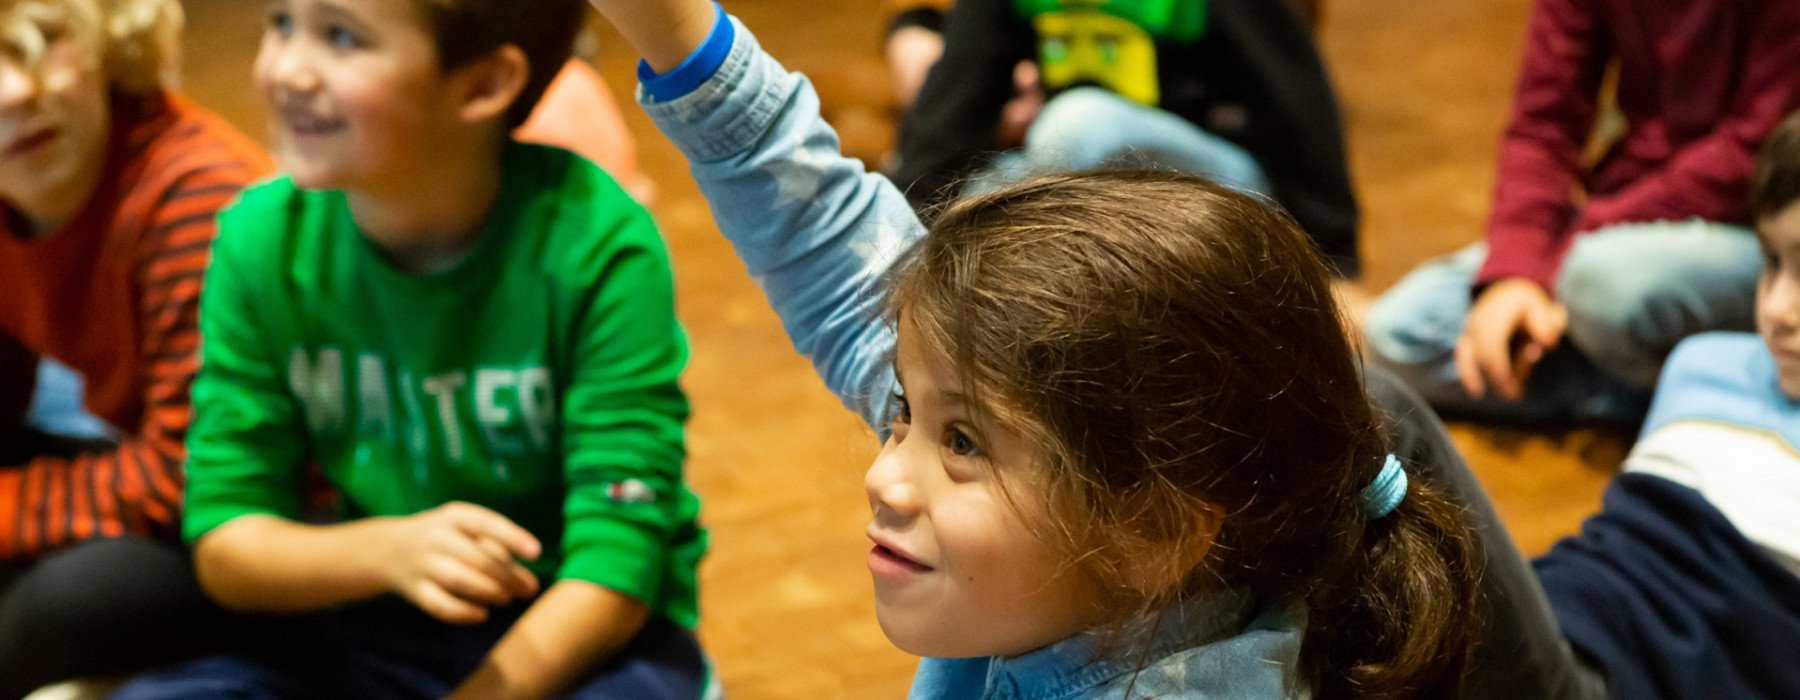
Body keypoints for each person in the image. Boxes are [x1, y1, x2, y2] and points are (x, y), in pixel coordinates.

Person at [591, 1, 1481, 696]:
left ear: (1155, 530)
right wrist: (676, 33)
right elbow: (830, 239)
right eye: (907, 414)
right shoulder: (1093, 520)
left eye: (964, 442)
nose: (886, 474)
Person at [108, 0, 710, 698]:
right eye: (280, 24)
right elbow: (226, 540)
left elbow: (616, 567)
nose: (287, 69)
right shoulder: (258, 242)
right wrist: (387, 552)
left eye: (341, 37)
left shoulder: (598, 246)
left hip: (580, 641)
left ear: (484, 84)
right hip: (371, 617)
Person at [0, 0, 272, 695]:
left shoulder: (193, 191)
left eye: (44, 43)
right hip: (152, 460)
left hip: (268, 512)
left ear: (111, 41)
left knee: (48, 615)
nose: (15, 91)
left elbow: (191, 475)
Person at [1364, 0, 1800, 426]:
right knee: (1399, 334)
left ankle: (1646, 374)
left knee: (1600, 284)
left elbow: (1747, 158)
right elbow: (1543, 126)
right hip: (1614, 225)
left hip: (1754, 230)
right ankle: (1656, 388)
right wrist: (1514, 277)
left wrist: (1557, 259)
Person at [1530, 111, 1800, 700]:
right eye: (1772, 264)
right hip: (1564, 613)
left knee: (1396, 417)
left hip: (1652, 676)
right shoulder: (1699, 363)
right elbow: (1620, 540)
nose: (1779, 308)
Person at [891, 0, 1361, 279]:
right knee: (968, 206)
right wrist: (904, 245)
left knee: (1076, 124)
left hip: (1223, 187)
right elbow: (954, 99)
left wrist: (1332, 260)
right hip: (1088, 180)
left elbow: (1296, 93)